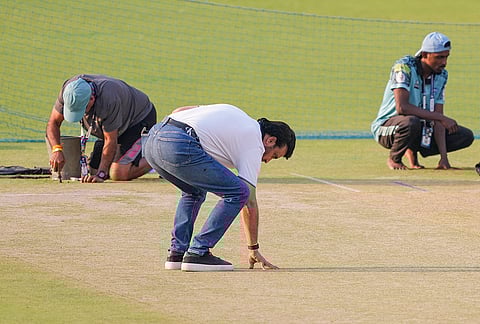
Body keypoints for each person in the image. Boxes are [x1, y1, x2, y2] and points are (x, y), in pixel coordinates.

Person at [144, 103, 296, 272]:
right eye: (274, 155)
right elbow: (250, 203)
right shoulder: (254, 143)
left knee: (193, 191)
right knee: (240, 192)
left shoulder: (236, 114)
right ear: (270, 140)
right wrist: (253, 248)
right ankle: (198, 252)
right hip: (177, 145)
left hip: (152, 143)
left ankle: (176, 254)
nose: (267, 160)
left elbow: (178, 111)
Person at [371, 32, 474, 170]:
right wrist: (441, 117)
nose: (444, 63)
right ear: (425, 55)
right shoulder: (403, 67)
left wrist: (444, 159)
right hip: (388, 127)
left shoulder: (441, 75)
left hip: (417, 127)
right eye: (439, 57)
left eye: (446, 57)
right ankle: (394, 158)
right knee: (411, 122)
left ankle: (413, 151)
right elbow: (402, 108)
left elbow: (438, 121)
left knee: (464, 135)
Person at [46, 74, 157, 182]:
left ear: (92, 99)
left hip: (138, 120)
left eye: (82, 109)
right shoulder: (69, 91)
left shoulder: (108, 100)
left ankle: (158, 159)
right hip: (115, 125)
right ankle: (115, 154)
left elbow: (110, 140)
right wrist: (56, 149)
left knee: (118, 173)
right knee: (93, 170)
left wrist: (101, 174)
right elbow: (53, 123)